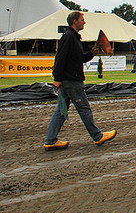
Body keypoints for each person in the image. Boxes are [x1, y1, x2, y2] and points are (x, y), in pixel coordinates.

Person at [43, 12, 117, 151]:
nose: (84, 22)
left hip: (69, 79)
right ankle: (97, 136)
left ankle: (50, 140)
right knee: (84, 109)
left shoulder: (74, 38)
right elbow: (60, 58)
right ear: (74, 21)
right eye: (82, 20)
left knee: (61, 111)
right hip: (71, 81)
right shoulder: (69, 37)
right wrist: (57, 79)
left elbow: (79, 59)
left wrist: (92, 54)